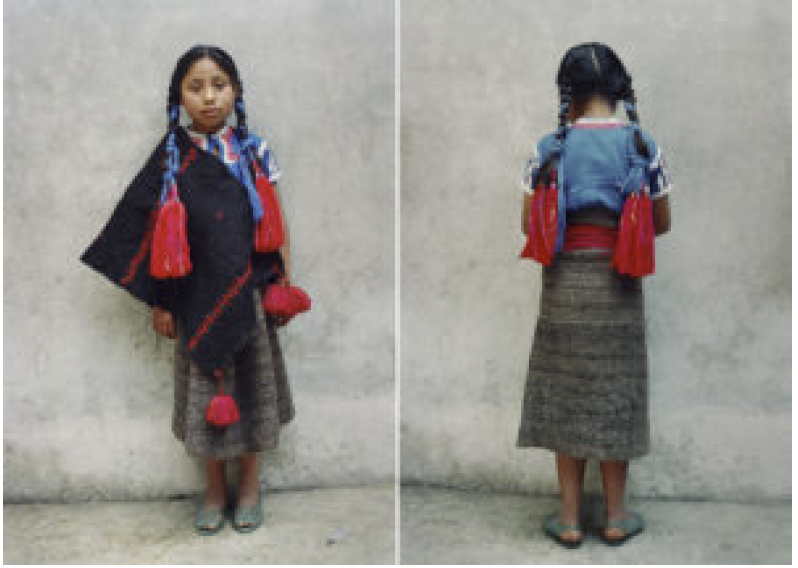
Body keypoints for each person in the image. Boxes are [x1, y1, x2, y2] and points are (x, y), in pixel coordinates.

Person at [81, 45, 296, 535]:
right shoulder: (171, 159)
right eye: (195, 87)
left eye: (218, 85)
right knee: (207, 401)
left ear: (236, 91)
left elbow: (277, 226)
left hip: (251, 296)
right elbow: (151, 236)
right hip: (195, 303)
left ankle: (250, 488)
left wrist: (282, 284)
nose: (208, 97)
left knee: (253, 393)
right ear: (178, 96)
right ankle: (215, 489)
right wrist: (161, 301)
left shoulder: (255, 152)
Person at [516, 42, 671, 548]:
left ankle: (567, 519)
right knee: (614, 395)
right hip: (620, 285)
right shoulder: (643, 144)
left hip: (563, 289)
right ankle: (615, 516)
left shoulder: (547, 149)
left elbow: (528, 223)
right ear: (620, 88)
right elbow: (662, 221)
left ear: (569, 93)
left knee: (567, 393)